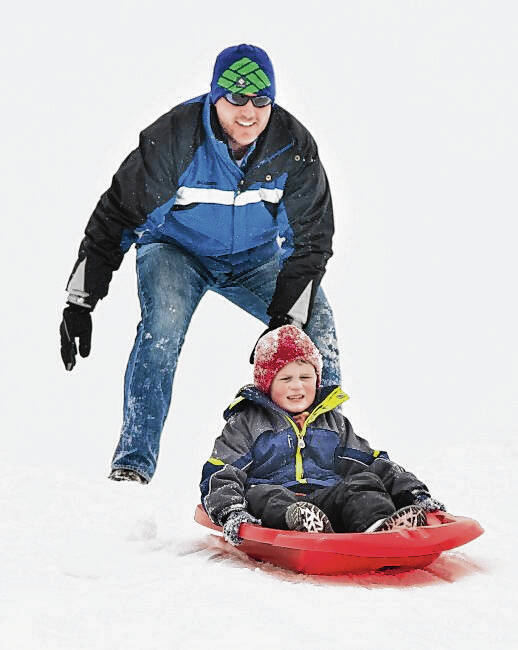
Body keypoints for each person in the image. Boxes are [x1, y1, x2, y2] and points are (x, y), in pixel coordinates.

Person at [59, 44, 341, 484]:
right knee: (163, 328)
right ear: (214, 96)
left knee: (315, 323)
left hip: (254, 260)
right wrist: (81, 299)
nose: (248, 113)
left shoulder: (292, 146)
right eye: (236, 98)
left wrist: (285, 320)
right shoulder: (174, 138)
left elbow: (311, 240)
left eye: (260, 100)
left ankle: (326, 456)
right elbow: (117, 217)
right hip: (176, 251)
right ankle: (132, 466)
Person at [200, 325, 445, 546]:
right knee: (262, 494)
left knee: (363, 483)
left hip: (325, 501)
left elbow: (372, 463)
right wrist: (231, 511)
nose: (297, 386)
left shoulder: (333, 424)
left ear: (317, 379)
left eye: (305, 377)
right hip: (276, 504)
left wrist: (413, 493)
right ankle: (300, 526)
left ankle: (378, 527)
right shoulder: (247, 423)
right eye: (286, 378)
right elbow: (222, 471)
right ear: (267, 383)